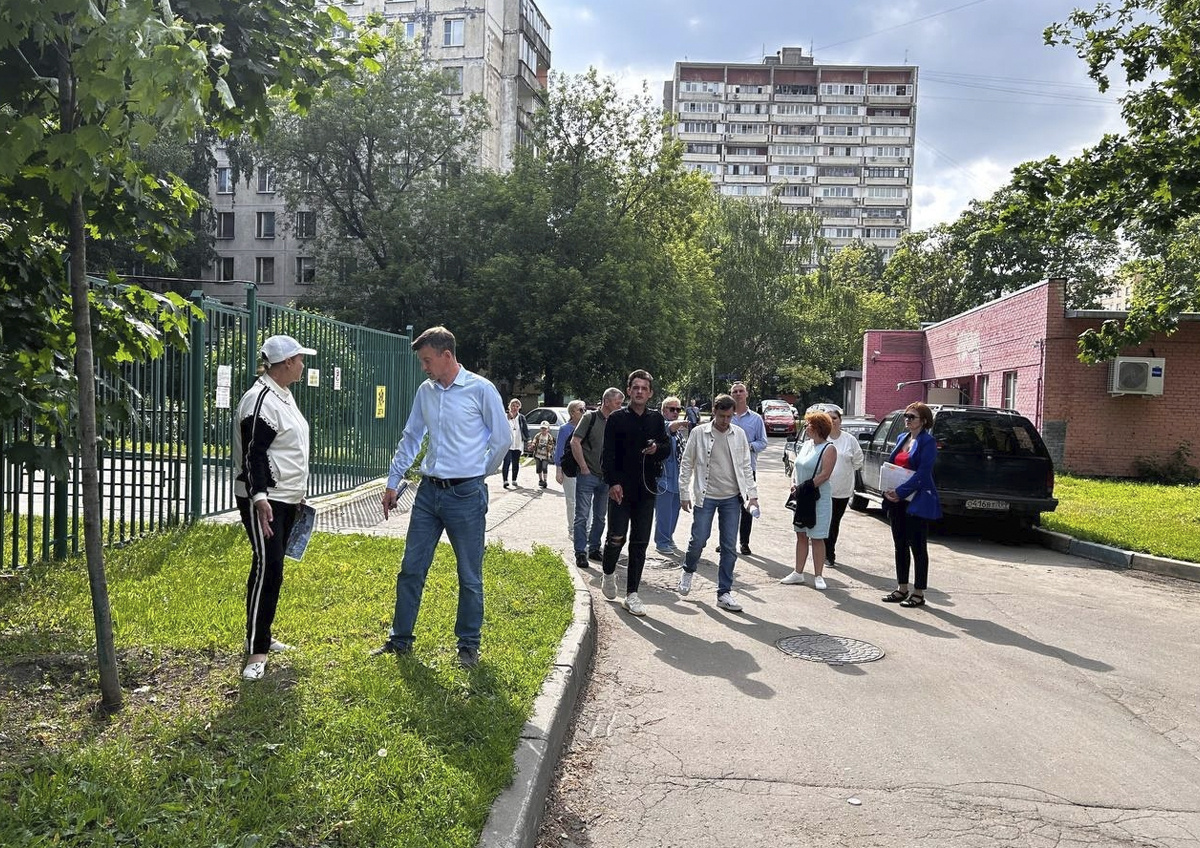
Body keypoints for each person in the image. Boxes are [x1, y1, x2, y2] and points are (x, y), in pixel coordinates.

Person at [373, 326, 509, 668]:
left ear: (447, 355)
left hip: (466, 494)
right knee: (411, 569)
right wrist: (393, 480)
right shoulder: (427, 391)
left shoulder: (481, 389)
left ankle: (467, 645)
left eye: (428, 360)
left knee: (469, 574)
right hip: (428, 493)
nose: (425, 367)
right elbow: (412, 436)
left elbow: (503, 439)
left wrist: (479, 473)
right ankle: (400, 639)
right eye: (423, 362)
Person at [232, 334, 316, 681]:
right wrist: (261, 497)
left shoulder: (282, 395)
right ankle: (257, 651)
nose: (302, 364)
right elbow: (255, 454)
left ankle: (261, 633)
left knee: (268, 567)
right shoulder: (260, 400)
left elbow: (287, 450)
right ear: (285, 364)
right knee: (270, 569)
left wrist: (297, 493)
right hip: (265, 500)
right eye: (299, 359)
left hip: (284, 497)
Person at [677, 394, 759, 611]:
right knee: (699, 539)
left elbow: (745, 466)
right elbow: (687, 463)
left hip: (732, 498)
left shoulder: (738, 434)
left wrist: (753, 495)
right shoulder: (699, 433)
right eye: (722, 416)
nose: (725, 421)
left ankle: (724, 592)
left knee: (729, 547)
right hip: (706, 496)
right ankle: (688, 569)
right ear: (714, 412)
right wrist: (683, 492)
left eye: (729, 416)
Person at [599, 370, 669, 616]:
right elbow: (607, 454)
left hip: (646, 489)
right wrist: (613, 483)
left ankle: (632, 594)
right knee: (616, 538)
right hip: (620, 490)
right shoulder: (617, 418)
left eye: (644, 388)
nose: (639, 391)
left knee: (640, 542)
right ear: (628, 390)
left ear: (650, 393)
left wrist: (656, 449)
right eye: (635, 387)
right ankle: (608, 573)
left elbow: (666, 448)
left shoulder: (656, 419)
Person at [882, 402, 942, 608]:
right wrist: (889, 489)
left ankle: (918, 592)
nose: (907, 420)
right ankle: (902, 588)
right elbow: (893, 466)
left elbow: (923, 474)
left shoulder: (928, 442)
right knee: (900, 544)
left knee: (918, 546)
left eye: (912, 417)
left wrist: (900, 492)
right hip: (897, 502)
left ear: (923, 421)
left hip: (916, 501)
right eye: (906, 416)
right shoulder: (902, 438)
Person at [780, 410, 838, 589]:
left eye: (809, 424)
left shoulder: (829, 448)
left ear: (818, 427)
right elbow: (796, 467)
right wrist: (794, 484)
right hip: (801, 497)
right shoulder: (806, 445)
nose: (806, 427)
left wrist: (804, 487)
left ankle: (818, 575)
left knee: (818, 536)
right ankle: (798, 572)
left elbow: (825, 474)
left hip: (818, 498)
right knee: (801, 533)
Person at [570, 388, 623, 569]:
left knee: (600, 517)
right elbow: (575, 441)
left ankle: (594, 548)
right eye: (617, 403)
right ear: (606, 402)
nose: (620, 406)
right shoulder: (589, 418)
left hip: (606, 478)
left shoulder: (617, 421)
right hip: (588, 475)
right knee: (582, 516)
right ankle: (580, 552)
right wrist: (583, 467)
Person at [822, 404, 864, 567]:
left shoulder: (849, 440)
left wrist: (845, 471)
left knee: (834, 522)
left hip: (842, 489)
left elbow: (858, 461)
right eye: (828, 418)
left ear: (840, 420)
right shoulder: (821, 438)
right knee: (824, 521)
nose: (831, 421)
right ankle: (823, 552)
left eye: (834, 418)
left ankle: (829, 553)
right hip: (822, 488)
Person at [729, 381, 767, 555]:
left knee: (747, 506)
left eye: (741, 391)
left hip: (747, 469)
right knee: (727, 507)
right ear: (731, 395)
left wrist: (747, 446)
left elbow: (763, 442)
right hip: (726, 468)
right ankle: (726, 541)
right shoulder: (725, 414)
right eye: (735, 391)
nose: (738, 394)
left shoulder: (756, 419)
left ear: (746, 394)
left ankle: (744, 542)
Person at [653, 396, 689, 557]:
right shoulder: (660, 426)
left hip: (677, 478)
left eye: (678, 409)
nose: (675, 412)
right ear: (663, 410)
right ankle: (661, 542)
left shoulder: (679, 434)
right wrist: (682, 423)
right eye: (671, 409)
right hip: (663, 478)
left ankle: (669, 537)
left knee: (675, 511)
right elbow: (670, 427)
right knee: (664, 512)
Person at [555, 400, 587, 536]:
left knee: (586, 500)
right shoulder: (565, 429)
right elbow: (559, 451)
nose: (584, 412)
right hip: (570, 469)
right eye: (581, 409)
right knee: (572, 500)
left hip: (585, 469)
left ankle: (585, 529)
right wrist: (558, 471)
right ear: (572, 413)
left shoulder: (587, 427)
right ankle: (572, 528)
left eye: (585, 409)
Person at [502, 398, 529, 489]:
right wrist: (507, 417)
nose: (515, 408)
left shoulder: (521, 417)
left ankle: (514, 479)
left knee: (515, 462)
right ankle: (505, 480)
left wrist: (528, 440)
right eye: (513, 406)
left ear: (519, 408)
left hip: (517, 443)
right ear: (510, 406)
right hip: (508, 443)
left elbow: (525, 430)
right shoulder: (505, 416)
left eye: (517, 406)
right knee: (506, 461)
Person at [529, 420, 556, 489]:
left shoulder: (549, 437)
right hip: (538, 454)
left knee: (544, 467)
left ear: (548, 429)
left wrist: (546, 447)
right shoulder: (538, 436)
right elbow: (534, 442)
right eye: (542, 428)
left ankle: (545, 480)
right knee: (538, 468)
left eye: (545, 429)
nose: (543, 430)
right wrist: (533, 445)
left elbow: (551, 446)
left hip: (545, 455)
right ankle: (540, 479)